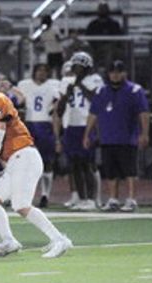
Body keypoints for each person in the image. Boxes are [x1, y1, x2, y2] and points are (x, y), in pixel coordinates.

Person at [0, 66, 72, 258]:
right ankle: (8, 240)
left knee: (21, 205)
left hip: (24, 156)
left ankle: (59, 239)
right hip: (13, 162)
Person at [84, 60, 150, 212]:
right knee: (110, 170)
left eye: (119, 71)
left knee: (129, 170)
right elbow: (93, 114)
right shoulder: (102, 91)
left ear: (124, 73)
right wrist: (87, 134)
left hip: (127, 137)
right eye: (112, 72)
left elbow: (143, 113)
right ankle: (113, 198)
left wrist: (144, 133)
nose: (115, 75)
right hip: (107, 137)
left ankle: (131, 199)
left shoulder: (134, 90)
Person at [57, 52, 103, 211]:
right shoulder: (67, 82)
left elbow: (96, 101)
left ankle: (92, 198)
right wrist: (65, 95)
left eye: (79, 66)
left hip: (87, 124)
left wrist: (80, 85)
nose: (76, 69)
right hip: (72, 125)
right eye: (75, 66)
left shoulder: (95, 80)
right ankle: (81, 198)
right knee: (74, 164)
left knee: (87, 164)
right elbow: (59, 110)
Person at [18, 64, 60, 208]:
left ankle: (45, 195)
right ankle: (27, 195)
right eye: (39, 70)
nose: (41, 73)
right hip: (29, 126)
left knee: (47, 162)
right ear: (34, 72)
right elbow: (19, 102)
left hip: (46, 125)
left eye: (44, 71)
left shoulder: (53, 86)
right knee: (27, 163)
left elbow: (57, 108)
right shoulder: (25, 85)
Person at [85, 1, 124, 71]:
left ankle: (108, 72)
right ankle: (91, 73)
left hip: (111, 48)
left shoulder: (114, 24)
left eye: (104, 9)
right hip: (95, 48)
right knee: (87, 52)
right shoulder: (93, 24)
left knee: (109, 51)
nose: (102, 11)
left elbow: (119, 38)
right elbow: (87, 38)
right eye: (101, 9)